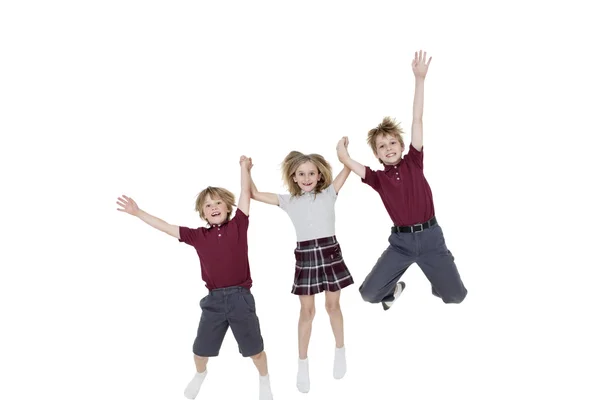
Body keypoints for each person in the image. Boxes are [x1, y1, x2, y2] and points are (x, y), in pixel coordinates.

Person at [115, 156, 273, 400]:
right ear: (203, 213)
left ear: (227, 207)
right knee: (200, 351)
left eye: (218, 202)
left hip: (241, 298)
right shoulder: (198, 236)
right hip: (214, 301)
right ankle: (200, 375)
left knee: (256, 351)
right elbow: (165, 226)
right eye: (208, 205)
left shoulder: (238, 225)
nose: (213, 207)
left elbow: (244, 191)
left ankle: (264, 379)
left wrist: (243, 168)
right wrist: (137, 212)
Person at [336, 50, 468, 311]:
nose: (388, 148)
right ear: (377, 154)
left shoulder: (413, 161)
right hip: (402, 244)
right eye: (381, 146)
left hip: (431, 238)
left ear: (402, 144)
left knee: (456, 296)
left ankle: (439, 278)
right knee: (369, 295)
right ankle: (394, 290)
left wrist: (420, 79)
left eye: (392, 142)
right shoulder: (377, 179)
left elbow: (417, 118)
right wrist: (342, 155)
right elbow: (352, 164)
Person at [249, 150, 353, 393]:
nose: (307, 178)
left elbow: (347, 168)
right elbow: (253, 194)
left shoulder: (329, 193)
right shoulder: (289, 201)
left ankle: (340, 350)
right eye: (301, 174)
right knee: (307, 311)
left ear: (319, 176)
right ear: (294, 177)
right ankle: (302, 363)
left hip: (329, 252)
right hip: (306, 256)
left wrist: (343, 152)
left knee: (333, 306)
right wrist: (247, 170)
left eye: (311, 173)